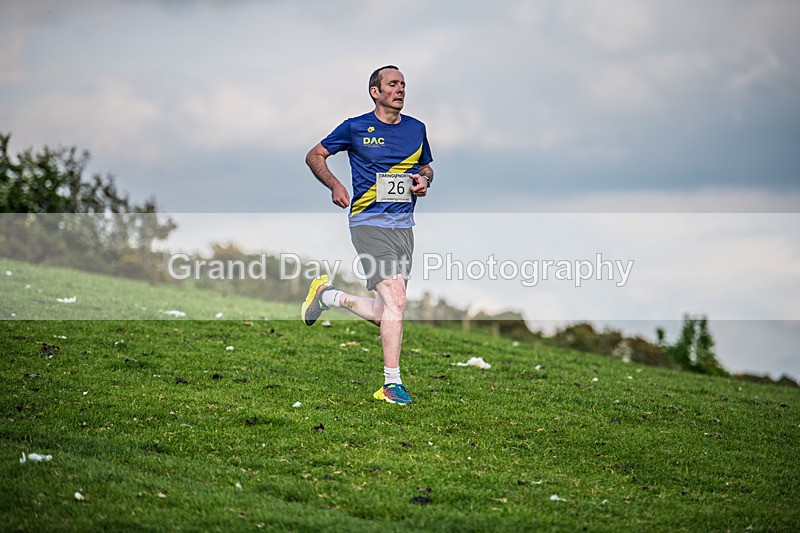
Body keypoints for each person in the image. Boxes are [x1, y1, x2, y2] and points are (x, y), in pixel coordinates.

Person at [302, 65, 434, 406]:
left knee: (386, 310)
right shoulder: (355, 127)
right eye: (393, 84)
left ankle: (327, 296)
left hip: (404, 226)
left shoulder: (416, 129)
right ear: (375, 91)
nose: (400, 89)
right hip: (368, 222)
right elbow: (314, 154)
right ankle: (391, 384)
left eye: (403, 84)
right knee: (398, 301)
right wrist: (334, 184)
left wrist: (424, 179)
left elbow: (426, 167)